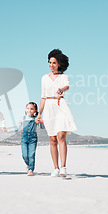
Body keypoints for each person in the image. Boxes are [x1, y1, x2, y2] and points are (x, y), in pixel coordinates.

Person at [36, 49, 77, 178]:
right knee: (52, 139)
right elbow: (43, 97)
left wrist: (62, 89)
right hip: (48, 107)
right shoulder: (44, 78)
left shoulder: (64, 77)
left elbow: (67, 86)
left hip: (60, 105)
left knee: (61, 136)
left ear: (59, 64)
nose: (51, 65)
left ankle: (64, 167)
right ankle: (56, 168)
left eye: (54, 62)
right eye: (49, 62)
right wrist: (39, 114)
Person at [17, 102, 44, 176]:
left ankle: (31, 169)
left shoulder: (36, 119)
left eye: (32, 109)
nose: (29, 110)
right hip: (24, 138)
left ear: (35, 111)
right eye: (28, 108)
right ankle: (28, 164)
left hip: (33, 138)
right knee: (24, 155)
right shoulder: (23, 119)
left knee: (31, 154)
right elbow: (17, 128)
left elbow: (42, 127)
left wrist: (40, 121)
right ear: (25, 110)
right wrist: (7, 130)